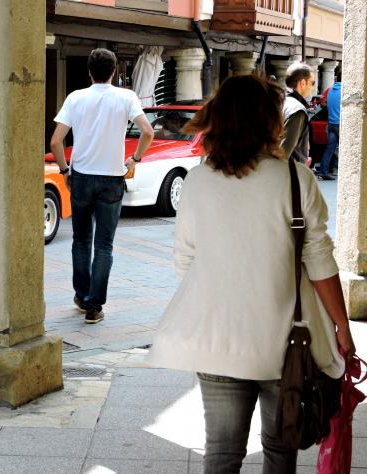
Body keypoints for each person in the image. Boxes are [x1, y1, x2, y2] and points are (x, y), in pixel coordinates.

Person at [147, 75, 355, 474]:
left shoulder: (197, 180)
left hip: (217, 338)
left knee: (222, 453)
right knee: (280, 448)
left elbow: (186, 261)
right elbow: (319, 262)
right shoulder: (294, 178)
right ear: (269, 121)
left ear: (218, 118)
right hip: (287, 342)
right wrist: (341, 328)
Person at [50, 48, 154, 324]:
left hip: (82, 176)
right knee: (104, 245)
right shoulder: (126, 97)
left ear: (89, 72)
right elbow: (148, 131)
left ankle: (81, 295)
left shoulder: (75, 97)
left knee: (81, 241)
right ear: (114, 71)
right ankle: (94, 307)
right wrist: (134, 159)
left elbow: (56, 141)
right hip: (111, 178)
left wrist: (64, 170)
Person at [280, 62, 316, 164]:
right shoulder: (297, 110)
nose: (312, 87)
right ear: (302, 83)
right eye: (312, 83)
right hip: (289, 170)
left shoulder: (279, 101)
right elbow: (284, 152)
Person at [318, 72, 341, 180]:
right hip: (341, 124)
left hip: (331, 123)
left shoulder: (330, 90)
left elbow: (323, 103)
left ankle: (323, 172)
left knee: (329, 149)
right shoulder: (345, 90)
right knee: (349, 149)